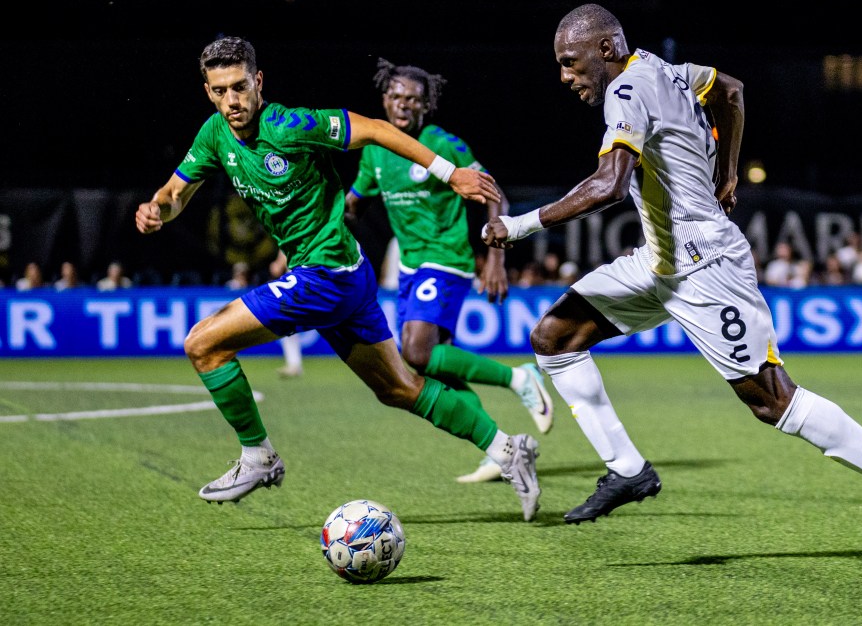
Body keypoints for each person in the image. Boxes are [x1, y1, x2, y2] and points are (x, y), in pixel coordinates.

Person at [483, 4, 862, 562]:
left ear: (606, 49)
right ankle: (628, 470)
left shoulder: (626, 90)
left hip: (706, 268)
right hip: (658, 261)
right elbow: (733, 91)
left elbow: (608, 185)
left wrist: (519, 226)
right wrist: (727, 170)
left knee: (774, 402)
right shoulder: (672, 70)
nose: (565, 76)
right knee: (554, 339)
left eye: (570, 63)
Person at [134, 36, 540, 521]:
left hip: (325, 273)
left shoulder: (290, 125)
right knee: (399, 388)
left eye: (240, 87)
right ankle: (508, 448)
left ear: (258, 81)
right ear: (208, 91)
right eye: (220, 91)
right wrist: (159, 209)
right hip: (347, 275)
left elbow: (370, 129)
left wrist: (449, 172)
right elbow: (178, 191)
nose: (232, 100)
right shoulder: (214, 134)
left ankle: (257, 456)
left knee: (203, 344)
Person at [345, 58, 555, 485]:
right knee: (435, 367)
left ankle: (520, 377)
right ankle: (500, 449)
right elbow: (355, 200)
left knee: (415, 355)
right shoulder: (375, 148)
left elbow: (493, 192)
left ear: (426, 106)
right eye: (397, 97)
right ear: (385, 99)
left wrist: (495, 257)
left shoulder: (441, 142)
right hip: (409, 268)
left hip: (447, 260)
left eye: (414, 100)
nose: (404, 105)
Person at [268, 249, 303, 378]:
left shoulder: (293, 231)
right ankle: (294, 364)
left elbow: (277, 267)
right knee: (287, 323)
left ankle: (294, 364)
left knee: (287, 322)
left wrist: (278, 263)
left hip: (301, 284)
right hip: (308, 282)